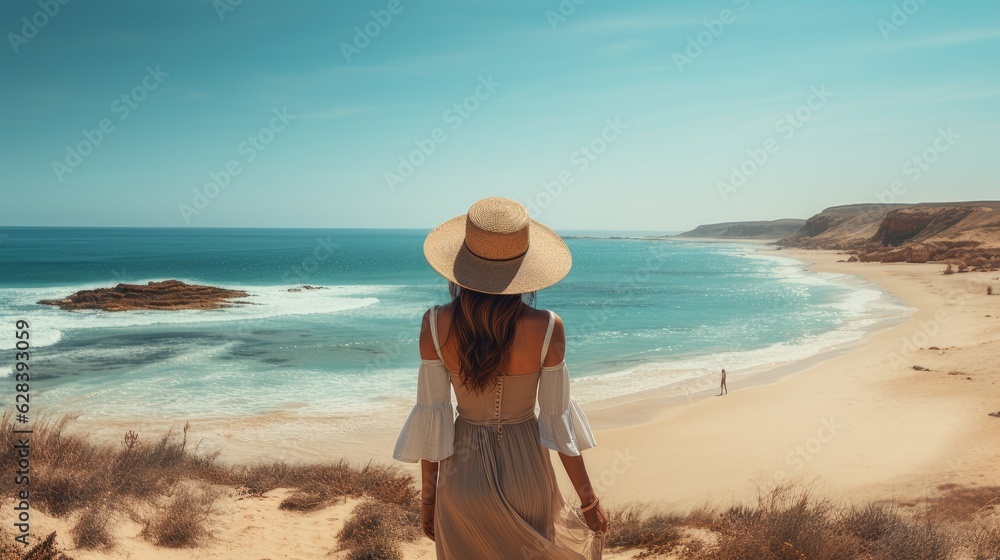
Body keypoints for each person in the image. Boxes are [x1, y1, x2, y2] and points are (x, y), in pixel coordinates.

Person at [393, 197, 608, 559]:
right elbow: (558, 422)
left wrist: (428, 500)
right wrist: (589, 501)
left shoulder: (433, 323)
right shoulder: (547, 327)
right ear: (524, 270)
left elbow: (433, 420)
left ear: (462, 265)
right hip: (529, 473)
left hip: (461, 477)